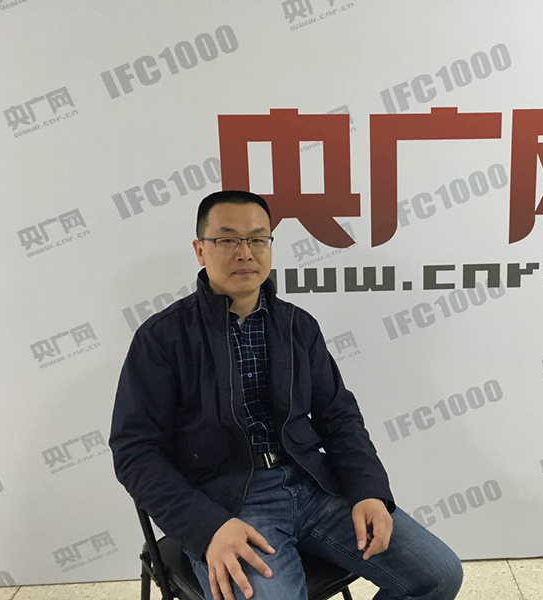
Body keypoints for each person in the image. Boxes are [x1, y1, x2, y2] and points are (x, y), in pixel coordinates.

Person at [109, 190, 464, 600]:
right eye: (227, 239)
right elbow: (135, 451)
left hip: (313, 486)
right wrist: (207, 527)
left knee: (438, 575)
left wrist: (369, 490)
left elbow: (339, 417)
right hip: (228, 506)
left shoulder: (298, 326)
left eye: (258, 239)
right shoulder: (162, 338)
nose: (245, 252)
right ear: (200, 250)